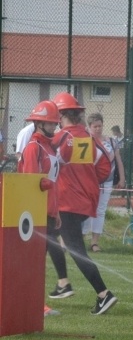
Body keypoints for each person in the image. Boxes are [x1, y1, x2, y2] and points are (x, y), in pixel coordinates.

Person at [49, 92, 117, 315]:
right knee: (49, 236)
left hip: (67, 201)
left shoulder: (60, 138)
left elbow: (46, 163)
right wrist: (87, 180)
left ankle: (103, 293)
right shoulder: (89, 138)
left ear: (60, 116)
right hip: (84, 201)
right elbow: (106, 167)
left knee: (75, 248)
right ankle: (63, 283)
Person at [18, 100, 65, 317]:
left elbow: (52, 182)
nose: (54, 127)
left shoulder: (48, 147)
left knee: (38, 261)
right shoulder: (33, 148)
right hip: (34, 214)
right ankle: (34, 303)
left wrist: (55, 211)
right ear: (39, 124)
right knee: (33, 261)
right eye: (51, 123)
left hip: (46, 211)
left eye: (55, 123)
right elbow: (29, 183)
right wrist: (41, 185)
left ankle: (35, 302)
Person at [82, 113, 126, 252]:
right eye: (95, 126)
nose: (98, 129)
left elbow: (118, 160)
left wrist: (122, 178)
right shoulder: (85, 141)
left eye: (100, 126)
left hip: (107, 181)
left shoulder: (111, 141)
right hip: (89, 181)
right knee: (86, 210)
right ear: (89, 127)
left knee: (100, 211)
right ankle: (80, 239)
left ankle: (95, 242)